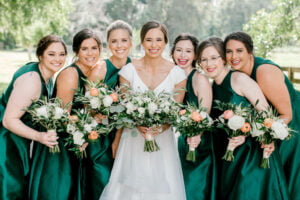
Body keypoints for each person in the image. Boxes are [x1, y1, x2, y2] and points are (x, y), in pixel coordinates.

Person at [100, 21, 187, 200]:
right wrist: (136, 126)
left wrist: (159, 128)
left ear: (165, 42)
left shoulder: (177, 74)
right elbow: (124, 109)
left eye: (158, 40)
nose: (154, 45)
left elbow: (175, 112)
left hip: (163, 142)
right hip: (132, 139)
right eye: (148, 40)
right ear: (141, 42)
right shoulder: (128, 71)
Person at [198, 37, 289, 200]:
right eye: (203, 59)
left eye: (213, 58)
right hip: (228, 156)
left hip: (251, 157)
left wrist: (246, 133)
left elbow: (266, 114)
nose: (209, 64)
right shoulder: (212, 87)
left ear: (224, 59)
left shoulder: (239, 80)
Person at [224, 31, 300, 199]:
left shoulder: (264, 72)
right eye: (229, 51)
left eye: (239, 51)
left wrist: (267, 135)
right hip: (273, 123)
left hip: (293, 123)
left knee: (293, 178)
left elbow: (286, 114)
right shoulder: (237, 75)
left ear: (250, 52)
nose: (233, 56)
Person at [29, 29, 102, 200]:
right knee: (59, 191)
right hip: (61, 142)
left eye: (94, 48)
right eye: (84, 49)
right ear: (77, 51)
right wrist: (81, 137)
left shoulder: (93, 72)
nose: (90, 53)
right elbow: (62, 116)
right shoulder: (70, 74)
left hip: (76, 139)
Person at [0, 35, 66, 199]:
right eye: (51, 54)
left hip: (19, 139)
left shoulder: (48, 76)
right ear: (40, 55)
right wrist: (39, 136)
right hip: (7, 141)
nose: (57, 59)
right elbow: (9, 120)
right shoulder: (32, 80)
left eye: (62, 54)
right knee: (10, 188)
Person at [86, 20, 133, 200]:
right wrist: (96, 114)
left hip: (128, 135)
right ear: (108, 44)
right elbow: (87, 106)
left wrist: (119, 138)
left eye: (123, 40)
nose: (119, 45)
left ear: (130, 41)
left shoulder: (135, 67)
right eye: (114, 41)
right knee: (103, 182)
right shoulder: (99, 69)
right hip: (102, 137)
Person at [171, 33, 217, 200]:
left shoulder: (199, 79)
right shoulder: (171, 75)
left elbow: (205, 114)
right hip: (176, 141)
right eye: (179, 50)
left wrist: (196, 134)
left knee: (193, 188)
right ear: (173, 52)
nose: (183, 56)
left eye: (188, 51)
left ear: (195, 55)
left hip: (197, 141)